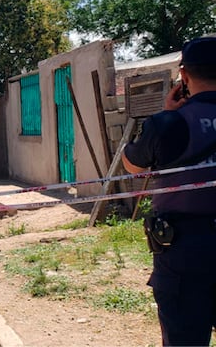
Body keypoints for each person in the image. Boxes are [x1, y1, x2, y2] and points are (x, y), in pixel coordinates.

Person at [122, 36, 216, 347]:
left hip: (186, 253)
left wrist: (166, 115)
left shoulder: (168, 123)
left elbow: (133, 167)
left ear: (184, 76)